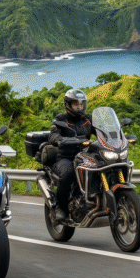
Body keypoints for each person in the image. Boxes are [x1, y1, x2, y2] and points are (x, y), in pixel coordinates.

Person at [47, 89, 93, 222]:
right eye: (75, 104)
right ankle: (60, 207)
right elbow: (53, 134)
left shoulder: (88, 119)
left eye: (81, 104)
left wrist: (114, 134)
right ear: (68, 105)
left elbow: (101, 130)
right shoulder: (61, 119)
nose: (79, 107)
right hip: (66, 157)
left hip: (85, 156)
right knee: (68, 173)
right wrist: (60, 139)